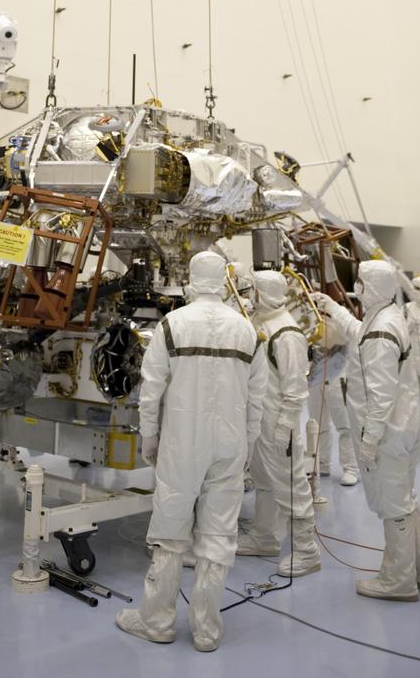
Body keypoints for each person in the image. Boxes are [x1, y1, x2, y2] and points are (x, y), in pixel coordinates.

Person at [115, 250, 267, 653]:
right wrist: (249, 441)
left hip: (182, 442)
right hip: (231, 442)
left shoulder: (172, 325)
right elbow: (258, 395)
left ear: (192, 280)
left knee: (169, 531)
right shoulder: (246, 330)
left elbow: (152, 388)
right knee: (219, 533)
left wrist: (149, 436)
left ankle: (157, 621)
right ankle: (206, 630)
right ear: (223, 280)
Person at [314, 261, 420, 600]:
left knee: (393, 506)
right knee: (404, 499)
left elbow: (382, 394)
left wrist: (370, 440)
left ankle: (398, 581)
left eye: (360, 281)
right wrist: (334, 310)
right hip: (402, 426)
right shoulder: (385, 316)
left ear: (373, 286)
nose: (356, 286)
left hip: (388, 433)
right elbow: (361, 333)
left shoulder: (382, 330)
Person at [238, 270, 321, 575]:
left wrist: (285, 426)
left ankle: (307, 552)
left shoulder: (287, 333)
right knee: (263, 481)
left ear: (265, 293)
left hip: (277, 423)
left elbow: (296, 387)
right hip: (259, 420)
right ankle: (264, 537)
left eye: (254, 291)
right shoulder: (261, 325)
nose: (249, 296)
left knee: (290, 485)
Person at [308, 370, 358, 487]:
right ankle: (323, 463)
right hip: (313, 372)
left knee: (345, 425)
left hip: (337, 371)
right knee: (317, 424)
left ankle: (351, 468)